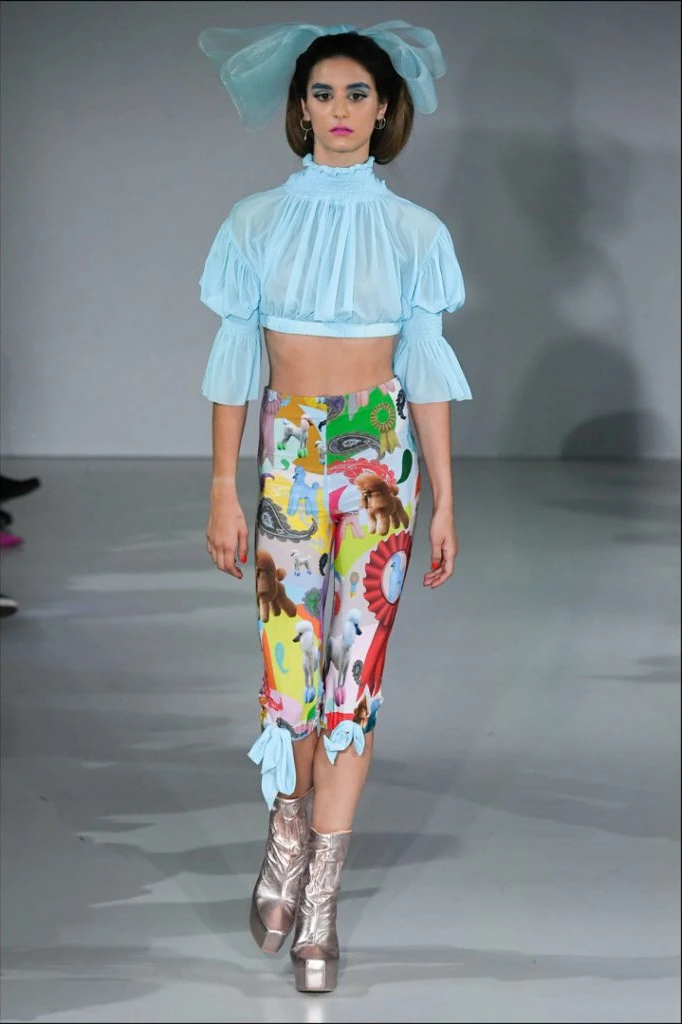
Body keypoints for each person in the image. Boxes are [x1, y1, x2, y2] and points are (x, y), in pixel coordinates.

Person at [197, 21, 472, 993]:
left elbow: (424, 372)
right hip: (288, 459)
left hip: (381, 464)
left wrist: (444, 499)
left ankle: (320, 897)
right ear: (300, 107)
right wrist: (221, 488)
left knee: (354, 680)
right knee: (289, 678)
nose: (341, 110)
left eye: (359, 93)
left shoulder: (415, 234)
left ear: (385, 108)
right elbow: (235, 364)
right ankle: (286, 827)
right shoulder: (254, 223)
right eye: (324, 93)